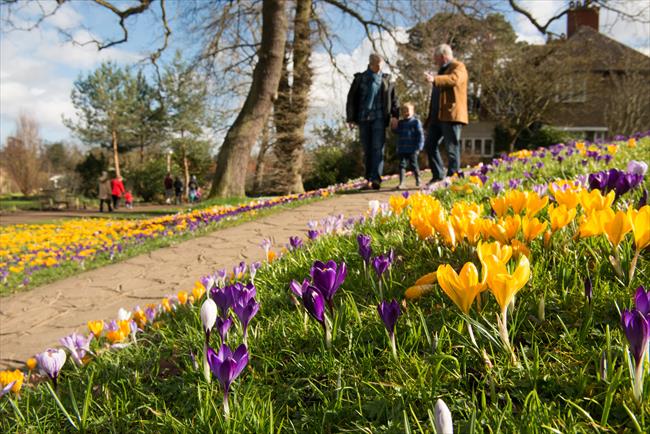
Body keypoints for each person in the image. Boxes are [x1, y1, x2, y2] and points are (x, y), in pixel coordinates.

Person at [346, 53, 399, 190]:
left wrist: (395, 115)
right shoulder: (360, 79)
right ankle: (368, 179)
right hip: (363, 118)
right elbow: (351, 99)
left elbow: (394, 100)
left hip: (379, 118)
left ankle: (376, 179)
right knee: (367, 149)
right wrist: (350, 118)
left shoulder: (386, 79)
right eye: (379, 64)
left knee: (377, 148)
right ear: (372, 64)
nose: (381, 67)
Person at [423, 44, 468, 184]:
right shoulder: (442, 70)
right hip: (437, 117)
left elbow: (454, 80)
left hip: (451, 114)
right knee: (430, 145)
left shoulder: (458, 66)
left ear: (443, 57)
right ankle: (438, 175)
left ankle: (453, 177)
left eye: (436, 59)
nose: (435, 62)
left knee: (451, 147)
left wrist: (434, 79)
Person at [392, 102, 424, 189]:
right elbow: (396, 132)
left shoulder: (416, 122)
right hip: (402, 148)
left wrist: (420, 146)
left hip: (413, 149)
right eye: (404, 111)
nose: (406, 113)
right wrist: (393, 126)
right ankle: (402, 182)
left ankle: (418, 180)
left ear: (413, 111)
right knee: (402, 165)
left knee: (414, 165)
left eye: (408, 111)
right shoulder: (401, 123)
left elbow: (420, 135)